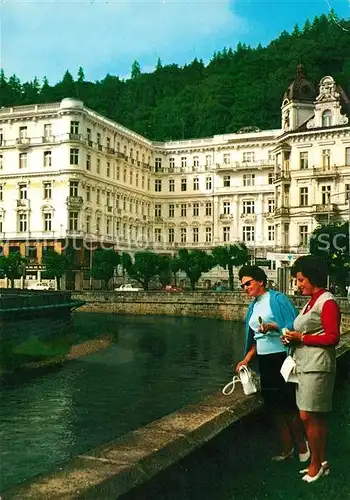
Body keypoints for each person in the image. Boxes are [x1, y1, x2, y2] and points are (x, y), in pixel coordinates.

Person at [236, 265, 309, 462]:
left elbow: (294, 327)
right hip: (265, 361)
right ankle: (286, 449)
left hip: (281, 358)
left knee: (288, 405)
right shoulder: (254, 305)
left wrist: (273, 327)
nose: (244, 288)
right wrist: (247, 358)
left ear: (260, 281)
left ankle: (302, 445)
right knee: (274, 407)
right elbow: (256, 339)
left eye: (247, 283)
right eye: (242, 285)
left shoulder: (277, 299)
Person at [284, 255, 340, 483]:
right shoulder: (312, 301)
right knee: (313, 418)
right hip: (307, 365)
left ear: (313, 278)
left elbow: (333, 337)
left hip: (318, 367)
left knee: (308, 416)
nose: (299, 284)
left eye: (301, 280)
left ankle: (316, 465)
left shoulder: (327, 301)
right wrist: (293, 339)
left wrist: (302, 337)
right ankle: (319, 461)